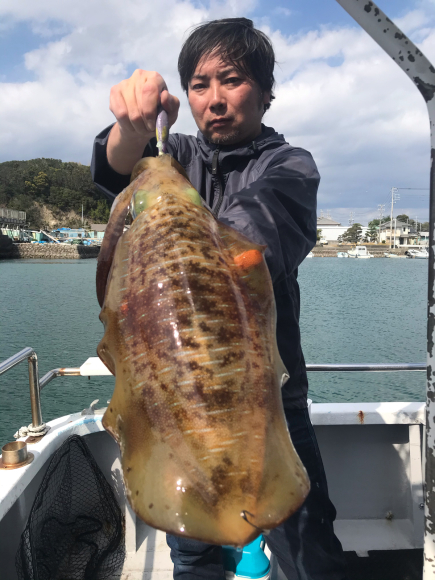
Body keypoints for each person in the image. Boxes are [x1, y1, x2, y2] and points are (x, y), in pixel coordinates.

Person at [91, 17, 347, 580]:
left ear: (264, 90)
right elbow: (115, 164)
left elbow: (253, 239)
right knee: (194, 553)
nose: (215, 99)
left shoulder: (289, 166)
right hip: (173, 402)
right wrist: (132, 126)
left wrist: (163, 208)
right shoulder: (173, 154)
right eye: (200, 85)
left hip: (270, 401)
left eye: (231, 79)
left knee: (308, 550)